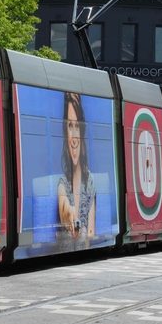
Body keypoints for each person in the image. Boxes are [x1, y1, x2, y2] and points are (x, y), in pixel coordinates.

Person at [57, 92, 96, 248]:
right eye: (69, 126)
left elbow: (91, 233)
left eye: (77, 127)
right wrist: (69, 213)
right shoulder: (62, 183)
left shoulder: (90, 182)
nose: (73, 137)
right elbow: (63, 207)